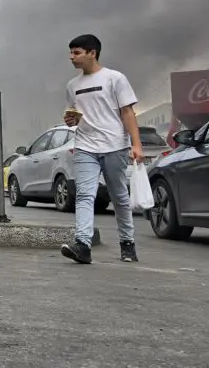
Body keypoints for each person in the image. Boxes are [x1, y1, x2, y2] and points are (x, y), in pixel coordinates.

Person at [60, 34, 143, 264]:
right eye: (71, 52)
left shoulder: (115, 79)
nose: (71, 57)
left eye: (76, 52)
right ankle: (83, 245)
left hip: (115, 145)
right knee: (85, 194)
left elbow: (127, 113)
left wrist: (136, 145)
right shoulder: (72, 85)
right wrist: (71, 120)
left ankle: (127, 243)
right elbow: (74, 115)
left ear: (92, 53)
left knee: (119, 196)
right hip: (85, 146)